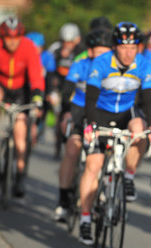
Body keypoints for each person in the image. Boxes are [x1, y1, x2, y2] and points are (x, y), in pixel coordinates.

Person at [78, 22, 151, 245]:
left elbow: (150, 99)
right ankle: (85, 218)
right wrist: (91, 124)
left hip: (126, 112)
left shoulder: (144, 64)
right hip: (100, 112)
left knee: (141, 130)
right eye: (123, 47)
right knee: (93, 166)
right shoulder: (101, 62)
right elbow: (91, 97)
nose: (128, 53)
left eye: (133, 48)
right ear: (114, 47)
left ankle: (129, 174)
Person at [54, 28, 113, 222]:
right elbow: (67, 91)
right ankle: (63, 202)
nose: (103, 56)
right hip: (79, 108)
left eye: (107, 51)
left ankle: (102, 193)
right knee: (72, 149)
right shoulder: (80, 63)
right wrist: (66, 114)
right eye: (99, 52)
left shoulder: (114, 67)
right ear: (90, 52)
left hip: (102, 112)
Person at [0, 16, 44, 197]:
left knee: (21, 131)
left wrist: (37, 97)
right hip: (1, 86)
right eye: (8, 38)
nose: (12, 42)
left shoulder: (28, 47)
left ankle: (20, 174)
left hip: (21, 89)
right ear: (3, 37)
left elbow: (36, 75)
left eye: (16, 38)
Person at [49, 22, 84, 159]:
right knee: (61, 116)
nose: (67, 44)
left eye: (70, 42)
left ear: (77, 40)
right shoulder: (56, 50)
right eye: (65, 41)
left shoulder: (82, 52)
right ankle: (59, 145)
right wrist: (51, 91)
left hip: (76, 88)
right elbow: (50, 73)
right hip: (60, 87)